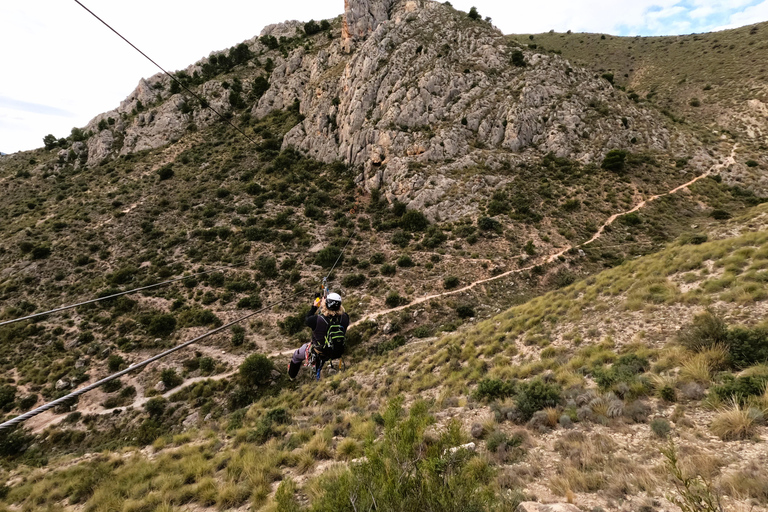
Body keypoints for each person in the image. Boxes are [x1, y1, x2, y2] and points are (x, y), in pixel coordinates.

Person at [288, 292, 349, 380]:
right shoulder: (345, 318)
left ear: (326, 304)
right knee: (320, 362)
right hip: (335, 350)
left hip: (319, 351)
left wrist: (315, 306)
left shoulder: (317, 320)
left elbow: (307, 319)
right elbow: (335, 315)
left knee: (296, 355)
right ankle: (317, 373)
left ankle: (292, 376)